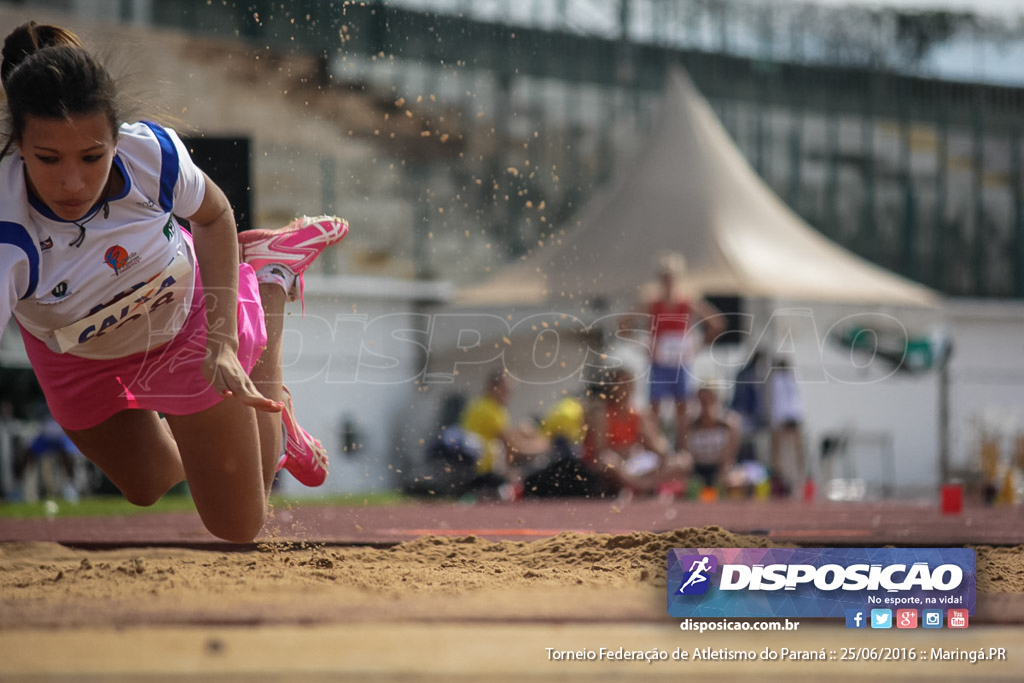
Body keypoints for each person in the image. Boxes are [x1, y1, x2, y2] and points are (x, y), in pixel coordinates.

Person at [0, 22, 348, 542]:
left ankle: (270, 278)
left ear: (117, 137)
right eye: (49, 159)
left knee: (239, 526)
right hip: (75, 356)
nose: (72, 182)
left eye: (92, 156)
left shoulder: (150, 157)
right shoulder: (8, 231)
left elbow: (213, 215)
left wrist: (224, 343)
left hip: (185, 321)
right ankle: (242, 430)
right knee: (146, 482)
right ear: (19, 147)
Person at [641, 251, 724, 451]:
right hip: (660, 363)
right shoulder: (652, 304)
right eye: (664, 277)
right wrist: (643, 345)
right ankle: (655, 449)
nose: (668, 281)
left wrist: (698, 346)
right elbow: (623, 322)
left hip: (680, 362)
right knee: (655, 408)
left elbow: (717, 323)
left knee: (682, 409)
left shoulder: (687, 302)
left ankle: (682, 450)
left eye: (671, 277)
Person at [581, 368, 691, 498]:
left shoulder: (639, 414)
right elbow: (601, 451)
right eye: (619, 384)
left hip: (634, 464)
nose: (623, 388)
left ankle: (638, 485)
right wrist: (628, 450)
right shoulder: (601, 413)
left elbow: (657, 447)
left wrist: (662, 452)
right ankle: (642, 486)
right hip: (615, 463)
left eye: (627, 384)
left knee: (684, 460)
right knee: (608, 460)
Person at [459, 369, 549, 497]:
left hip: (478, 470)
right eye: (506, 389)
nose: (509, 394)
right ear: (493, 387)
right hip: (483, 473)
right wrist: (543, 446)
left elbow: (509, 441)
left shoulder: (480, 405)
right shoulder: (491, 410)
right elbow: (513, 448)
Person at [683, 384, 740, 490]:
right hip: (697, 470)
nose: (705, 403)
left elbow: (730, 456)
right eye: (702, 399)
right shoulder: (690, 425)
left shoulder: (728, 425)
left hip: (719, 469)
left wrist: (722, 472)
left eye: (709, 399)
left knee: (734, 480)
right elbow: (686, 455)